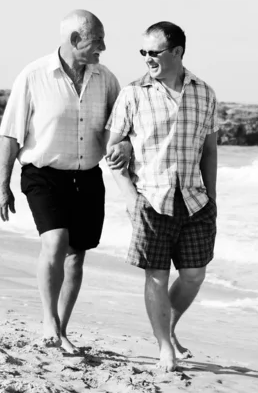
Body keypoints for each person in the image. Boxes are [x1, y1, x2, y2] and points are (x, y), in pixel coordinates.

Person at [0, 9, 129, 353]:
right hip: (44, 174)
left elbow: (121, 126)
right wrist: (1, 185)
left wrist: (125, 143)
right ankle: (48, 321)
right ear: (75, 40)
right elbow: (10, 134)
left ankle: (62, 331)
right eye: (97, 40)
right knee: (55, 243)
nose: (104, 47)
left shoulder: (106, 78)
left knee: (76, 255)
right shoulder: (34, 75)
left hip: (87, 177)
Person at [106, 21, 218, 372]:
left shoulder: (205, 93)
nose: (147, 59)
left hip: (195, 200)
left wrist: (212, 198)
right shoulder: (133, 93)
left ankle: (167, 326)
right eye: (143, 53)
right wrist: (129, 197)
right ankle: (164, 346)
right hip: (151, 200)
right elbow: (111, 151)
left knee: (194, 275)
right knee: (155, 276)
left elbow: (210, 151)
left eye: (154, 53)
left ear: (177, 52)